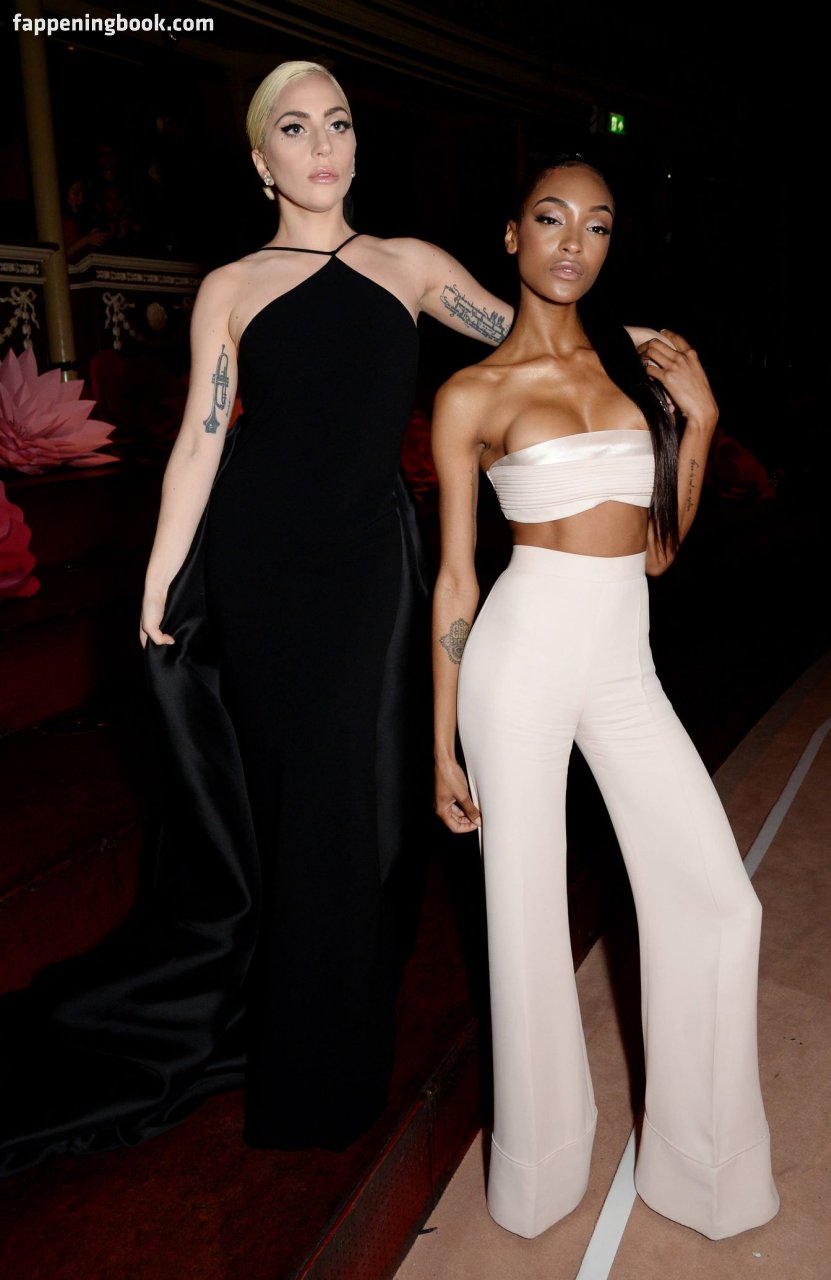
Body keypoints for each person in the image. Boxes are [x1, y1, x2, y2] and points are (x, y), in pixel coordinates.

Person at [0, 59, 513, 1175]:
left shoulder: (414, 266)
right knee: (300, 802)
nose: (321, 144)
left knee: (357, 807)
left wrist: (620, 354)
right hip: (262, 568)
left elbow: (527, 343)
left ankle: (330, 1045)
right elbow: (203, 435)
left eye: (337, 122)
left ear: (356, 145)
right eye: (294, 127)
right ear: (260, 159)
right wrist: (159, 573)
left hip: (369, 569)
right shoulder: (232, 285)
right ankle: (307, 1066)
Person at [431, 157, 780, 1240]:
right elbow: (456, 581)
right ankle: (538, 1172)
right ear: (512, 235)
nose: (573, 242)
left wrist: (702, 421)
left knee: (720, 901)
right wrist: (440, 741)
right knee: (524, 918)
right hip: (517, 659)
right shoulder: (471, 393)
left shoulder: (637, 369)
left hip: (624, 663)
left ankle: (703, 1168)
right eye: (551, 218)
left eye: (597, 224)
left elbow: (658, 553)